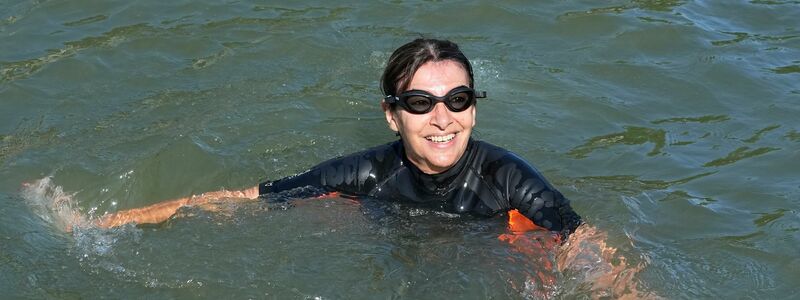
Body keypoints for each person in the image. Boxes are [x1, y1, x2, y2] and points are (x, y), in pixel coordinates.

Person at [95, 38, 583, 240]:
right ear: (392, 116)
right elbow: (239, 200)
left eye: (457, 100)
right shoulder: (366, 173)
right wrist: (102, 224)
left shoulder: (508, 178)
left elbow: (586, 244)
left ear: (473, 108)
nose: (442, 118)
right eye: (419, 103)